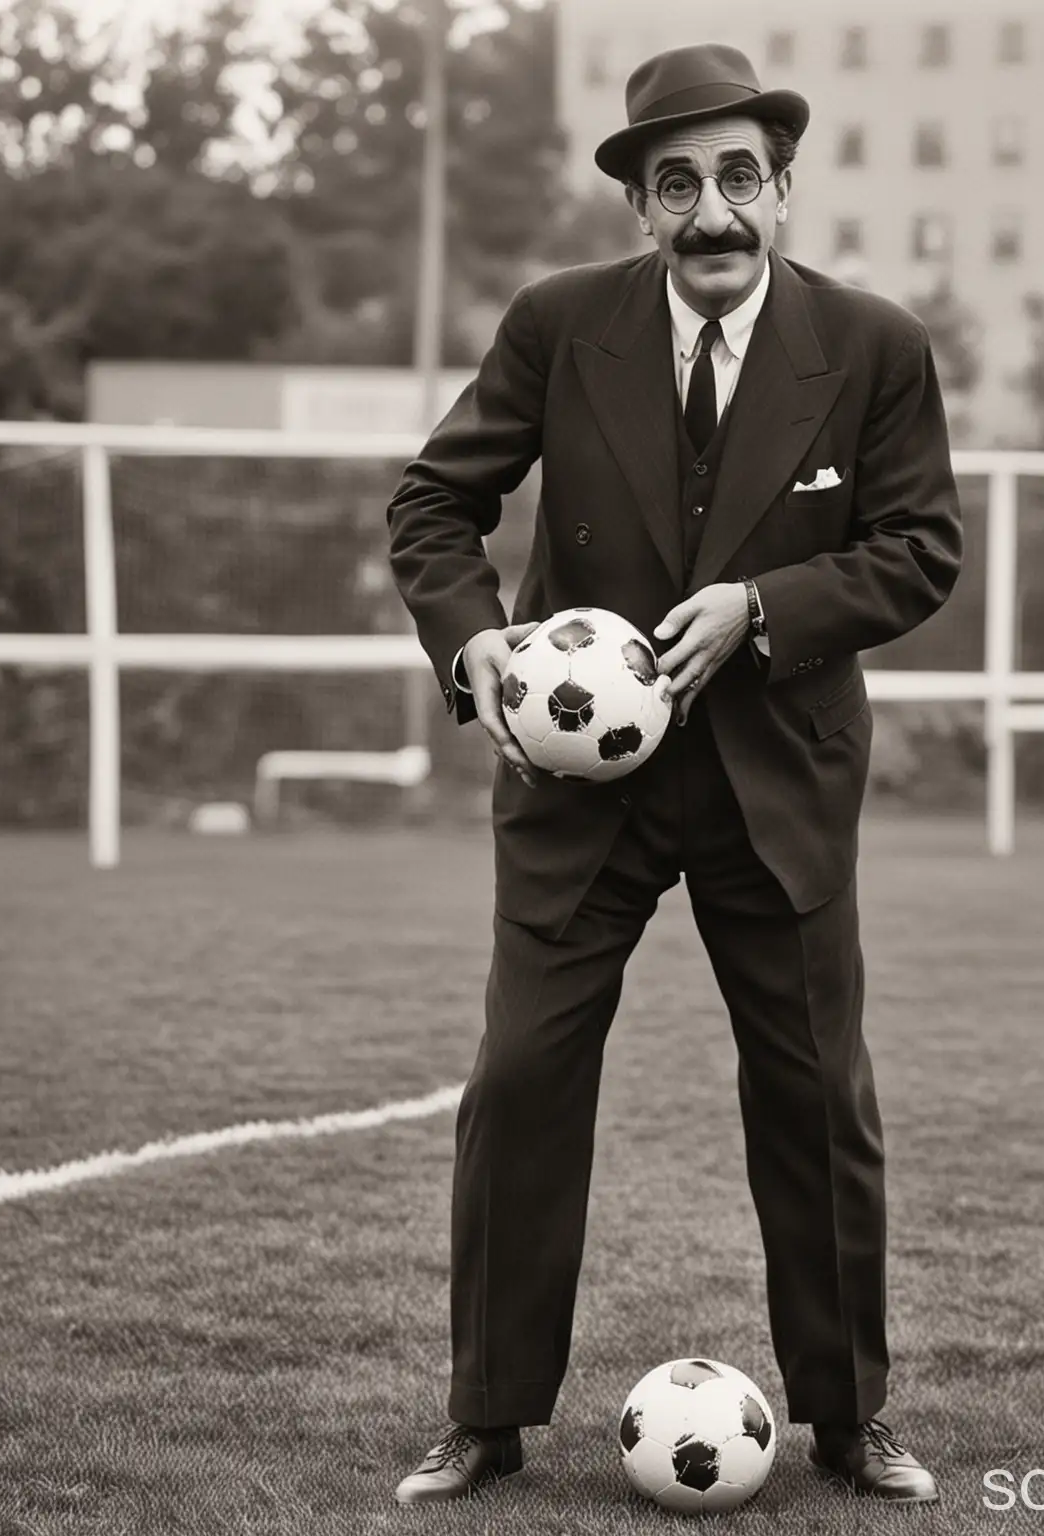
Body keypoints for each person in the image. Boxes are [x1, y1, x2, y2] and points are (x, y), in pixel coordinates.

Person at [385, 41, 962, 1508]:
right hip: (585, 796)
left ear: (782, 189)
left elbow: (918, 553)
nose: (714, 215)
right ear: (644, 205)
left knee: (818, 1098)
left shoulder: (879, 348)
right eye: (679, 185)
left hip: (781, 781)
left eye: (739, 181)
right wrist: (483, 661)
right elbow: (434, 504)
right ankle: (487, 1417)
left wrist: (767, 609)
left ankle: (849, 1418)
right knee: (518, 1082)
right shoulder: (560, 327)